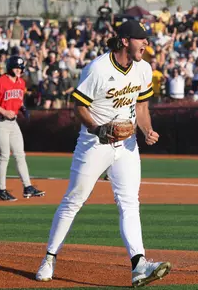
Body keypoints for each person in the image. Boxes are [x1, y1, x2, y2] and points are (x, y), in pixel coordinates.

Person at [35, 20, 171, 287]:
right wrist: (97, 129)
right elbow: (79, 106)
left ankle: (139, 265)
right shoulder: (98, 68)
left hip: (128, 144)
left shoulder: (143, 68)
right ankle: (49, 258)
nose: (145, 43)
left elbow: (141, 106)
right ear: (124, 41)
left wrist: (147, 129)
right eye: (140, 38)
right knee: (74, 200)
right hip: (94, 143)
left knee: (130, 202)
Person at [0, 55, 45, 201]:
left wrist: (23, 108)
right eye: (16, 67)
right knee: (4, 156)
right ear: (9, 67)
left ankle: (28, 187)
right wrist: (4, 111)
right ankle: (1, 190)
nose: (18, 70)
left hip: (13, 123)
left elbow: (18, 100)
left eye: (20, 68)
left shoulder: (21, 83)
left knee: (20, 154)